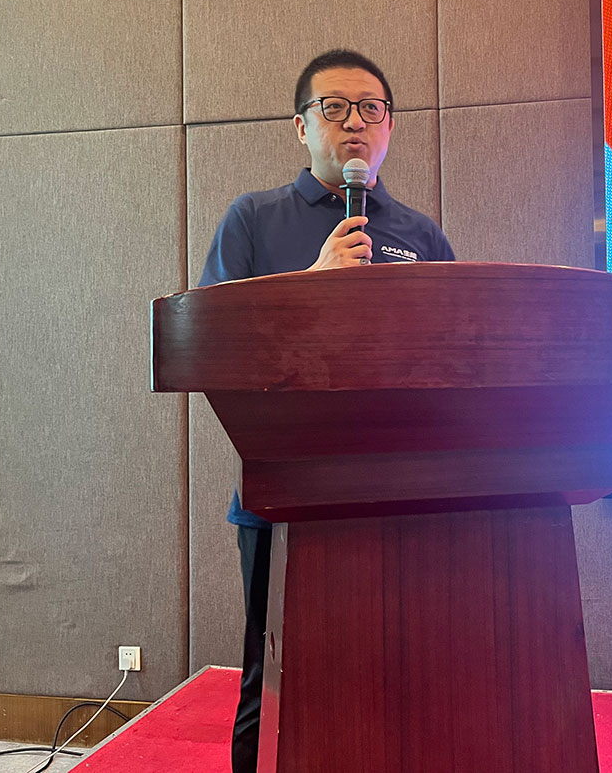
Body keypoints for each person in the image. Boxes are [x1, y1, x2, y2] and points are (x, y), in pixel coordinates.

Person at [197, 49, 455, 773]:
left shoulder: (422, 236)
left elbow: (458, 353)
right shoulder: (254, 219)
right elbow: (213, 343)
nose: (354, 124)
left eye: (371, 109)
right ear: (301, 127)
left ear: (390, 126)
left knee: (401, 672)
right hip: (282, 489)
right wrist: (311, 284)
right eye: (334, 108)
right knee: (276, 677)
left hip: (402, 492)